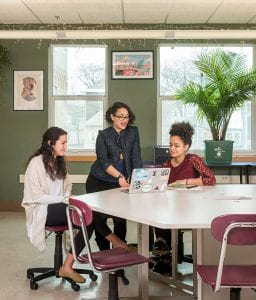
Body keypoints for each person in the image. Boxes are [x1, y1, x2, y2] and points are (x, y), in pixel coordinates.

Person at [22, 126, 128, 284]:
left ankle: (67, 266)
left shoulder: (60, 162)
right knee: (84, 214)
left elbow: (67, 189)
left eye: (66, 143)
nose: (66, 146)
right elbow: (37, 197)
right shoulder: (36, 164)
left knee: (88, 217)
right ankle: (115, 241)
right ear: (50, 143)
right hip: (41, 209)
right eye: (63, 143)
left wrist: (67, 199)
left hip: (60, 206)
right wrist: (65, 200)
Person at [152, 121, 216, 273]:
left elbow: (211, 179)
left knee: (167, 214)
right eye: (170, 145)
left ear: (186, 146)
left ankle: (165, 254)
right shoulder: (166, 164)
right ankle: (164, 252)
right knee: (157, 211)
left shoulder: (193, 159)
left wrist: (185, 182)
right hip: (172, 205)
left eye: (176, 145)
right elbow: (160, 184)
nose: (172, 148)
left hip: (191, 207)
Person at [86, 101, 143, 250]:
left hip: (121, 181)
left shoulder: (133, 132)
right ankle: (104, 252)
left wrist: (138, 178)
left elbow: (136, 156)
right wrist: (119, 177)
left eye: (127, 117)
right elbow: (103, 161)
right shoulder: (103, 135)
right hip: (99, 181)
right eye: (120, 116)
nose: (124, 120)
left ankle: (119, 251)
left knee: (120, 218)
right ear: (112, 117)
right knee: (99, 217)